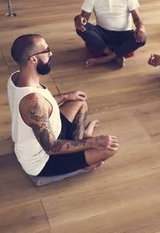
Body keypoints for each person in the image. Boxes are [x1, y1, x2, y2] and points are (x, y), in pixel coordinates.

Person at [7, 34, 119, 177]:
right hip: (43, 160)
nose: (51, 53)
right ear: (33, 59)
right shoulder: (32, 101)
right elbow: (50, 147)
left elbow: (41, 106)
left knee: (79, 101)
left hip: (51, 132)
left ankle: (79, 144)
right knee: (110, 148)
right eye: (46, 51)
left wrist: (66, 97)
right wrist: (92, 142)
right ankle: (81, 156)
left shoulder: (17, 77)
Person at [74, 0, 146, 69]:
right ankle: (114, 55)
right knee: (81, 29)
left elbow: (137, 19)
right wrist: (78, 20)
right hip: (102, 34)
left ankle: (104, 58)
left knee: (142, 38)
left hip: (124, 34)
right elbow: (83, 19)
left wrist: (141, 28)